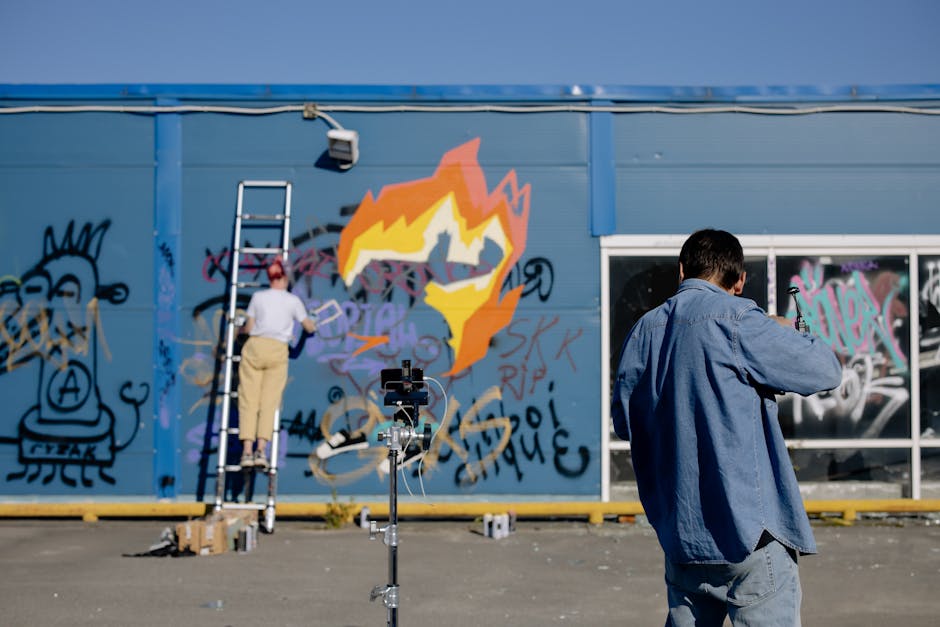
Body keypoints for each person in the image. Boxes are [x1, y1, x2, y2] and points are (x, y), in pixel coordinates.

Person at [610, 229, 842, 627]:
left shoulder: (644, 332)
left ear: (682, 271)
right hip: (748, 536)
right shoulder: (739, 321)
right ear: (738, 282)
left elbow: (625, 423)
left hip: (682, 537)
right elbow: (825, 371)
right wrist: (790, 332)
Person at [237, 259, 317, 470]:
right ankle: (260, 451)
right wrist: (313, 323)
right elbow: (308, 327)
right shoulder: (292, 301)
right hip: (277, 350)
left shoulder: (257, 297)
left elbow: (249, 327)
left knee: (248, 401)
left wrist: (238, 331)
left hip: (255, 347)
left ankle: (246, 451)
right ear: (284, 278)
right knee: (268, 402)